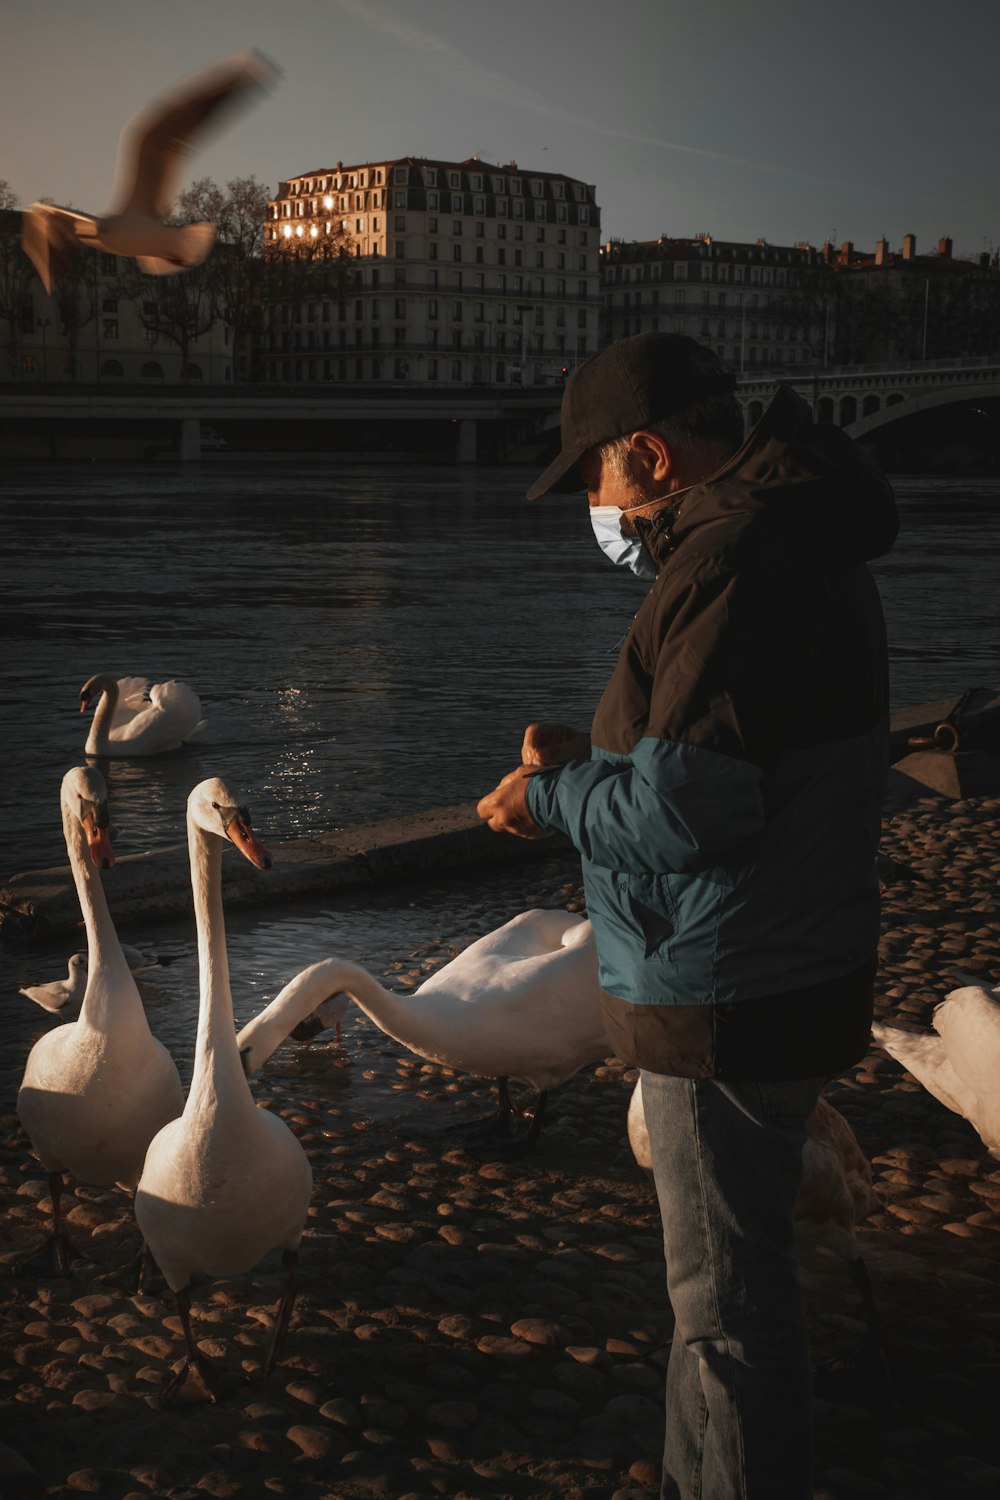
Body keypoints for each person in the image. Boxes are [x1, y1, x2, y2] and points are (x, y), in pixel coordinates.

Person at [476, 332, 898, 1500]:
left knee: (726, 1313)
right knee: (721, 1301)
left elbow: (688, 816)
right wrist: (600, 757)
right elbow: (727, 763)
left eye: (595, 483)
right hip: (788, 955)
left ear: (651, 457)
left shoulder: (729, 565)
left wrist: (551, 794)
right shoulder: (799, 542)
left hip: (726, 984)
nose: (596, 511)